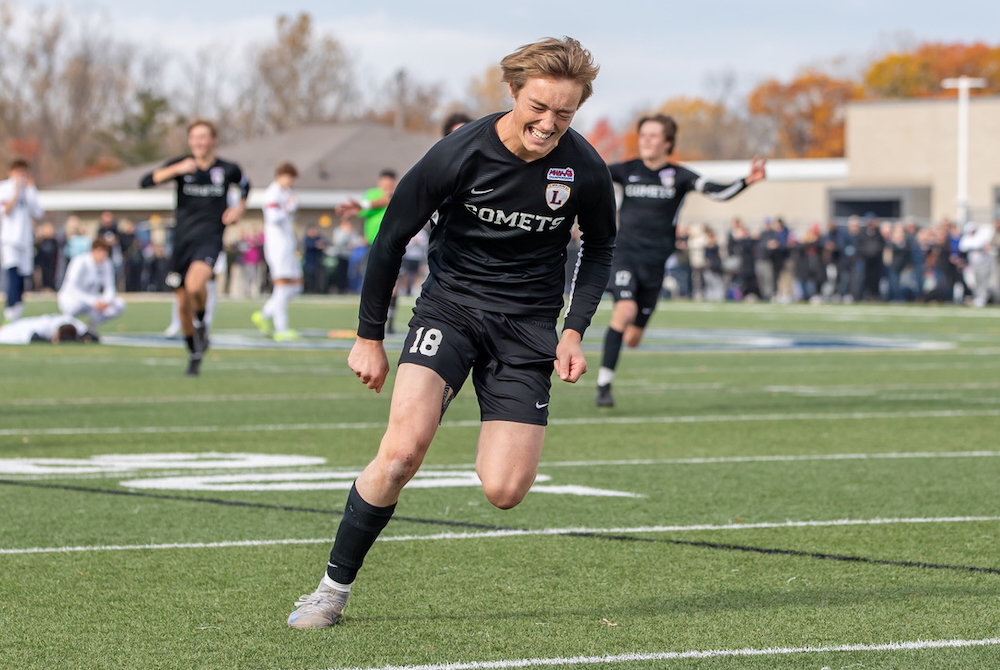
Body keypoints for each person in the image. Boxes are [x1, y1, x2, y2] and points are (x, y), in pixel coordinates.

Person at [287, 36, 617, 630]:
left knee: (505, 490)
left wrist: (573, 330)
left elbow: (599, 248)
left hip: (528, 328)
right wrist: (369, 337)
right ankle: (331, 589)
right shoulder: (458, 153)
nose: (549, 124)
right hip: (450, 311)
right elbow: (391, 238)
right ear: (513, 92)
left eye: (564, 113)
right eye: (538, 107)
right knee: (401, 454)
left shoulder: (584, 167)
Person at [594, 114, 765, 407]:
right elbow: (589, 173)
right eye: (643, 135)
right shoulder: (626, 170)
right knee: (624, 310)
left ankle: (618, 357)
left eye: (653, 135)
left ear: (668, 142)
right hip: (624, 255)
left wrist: (747, 181)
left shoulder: (681, 176)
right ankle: (604, 386)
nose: (646, 140)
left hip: (656, 263)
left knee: (633, 337)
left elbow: (716, 191)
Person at [140, 118, 250, 376]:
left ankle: (202, 321)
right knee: (181, 304)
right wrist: (176, 169)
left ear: (213, 140)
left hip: (210, 238)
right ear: (190, 142)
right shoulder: (181, 165)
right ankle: (194, 351)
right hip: (181, 241)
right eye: (194, 138)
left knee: (195, 286)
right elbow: (146, 181)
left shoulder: (227, 169)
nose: (199, 142)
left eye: (203, 137)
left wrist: (238, 209)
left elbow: (246, 186)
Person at [338, 169, 400, 331]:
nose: (387, 186)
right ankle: (370, 320)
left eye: (390, 184)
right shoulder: (372, 194)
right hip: (372, 244)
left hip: (392, 243)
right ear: (379, 182)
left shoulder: (398, 194)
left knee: (393, 284)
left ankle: (390, 322)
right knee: (372, 282)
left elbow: (387, 199)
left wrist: (364, 205)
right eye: (385, 183)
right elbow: (366, 209)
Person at [252, 162, 303, 341]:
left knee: (296, 286)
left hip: (288, 245)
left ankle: (265, 313)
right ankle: (281, 328)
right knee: (283, 285)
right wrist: (289, 208)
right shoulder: (273, 193)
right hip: (278, 246)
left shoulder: (286, 193)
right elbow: (273, 217)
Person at [0, 159, 45, 323]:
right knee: (12, 273)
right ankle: (10, 308)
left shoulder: (30, 190)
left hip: (25, 239)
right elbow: (6, 211)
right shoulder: (4, 188)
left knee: (23, 276)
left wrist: (30, 190)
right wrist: (16, 193)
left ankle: (17, 307)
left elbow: (38, 212)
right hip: (10, 239)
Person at [58, 237, 126, 333]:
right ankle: (73, 327)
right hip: (74, 299)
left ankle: (91, 326)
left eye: (105, 252)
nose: (103, 255)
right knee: (73, 307)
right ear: (93, 250)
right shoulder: (79, 262)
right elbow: (72, 288)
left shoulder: (106, 263)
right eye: (100, 251)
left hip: (93, 300)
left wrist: (106, 301)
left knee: (119, 304)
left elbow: (110, 288)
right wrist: (92, 301)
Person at [0, 313, 90, 345]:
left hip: (24, 323)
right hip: (17, 329)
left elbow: (89, 335)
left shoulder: (71, 322)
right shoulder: (44, 328)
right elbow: (33, 338)